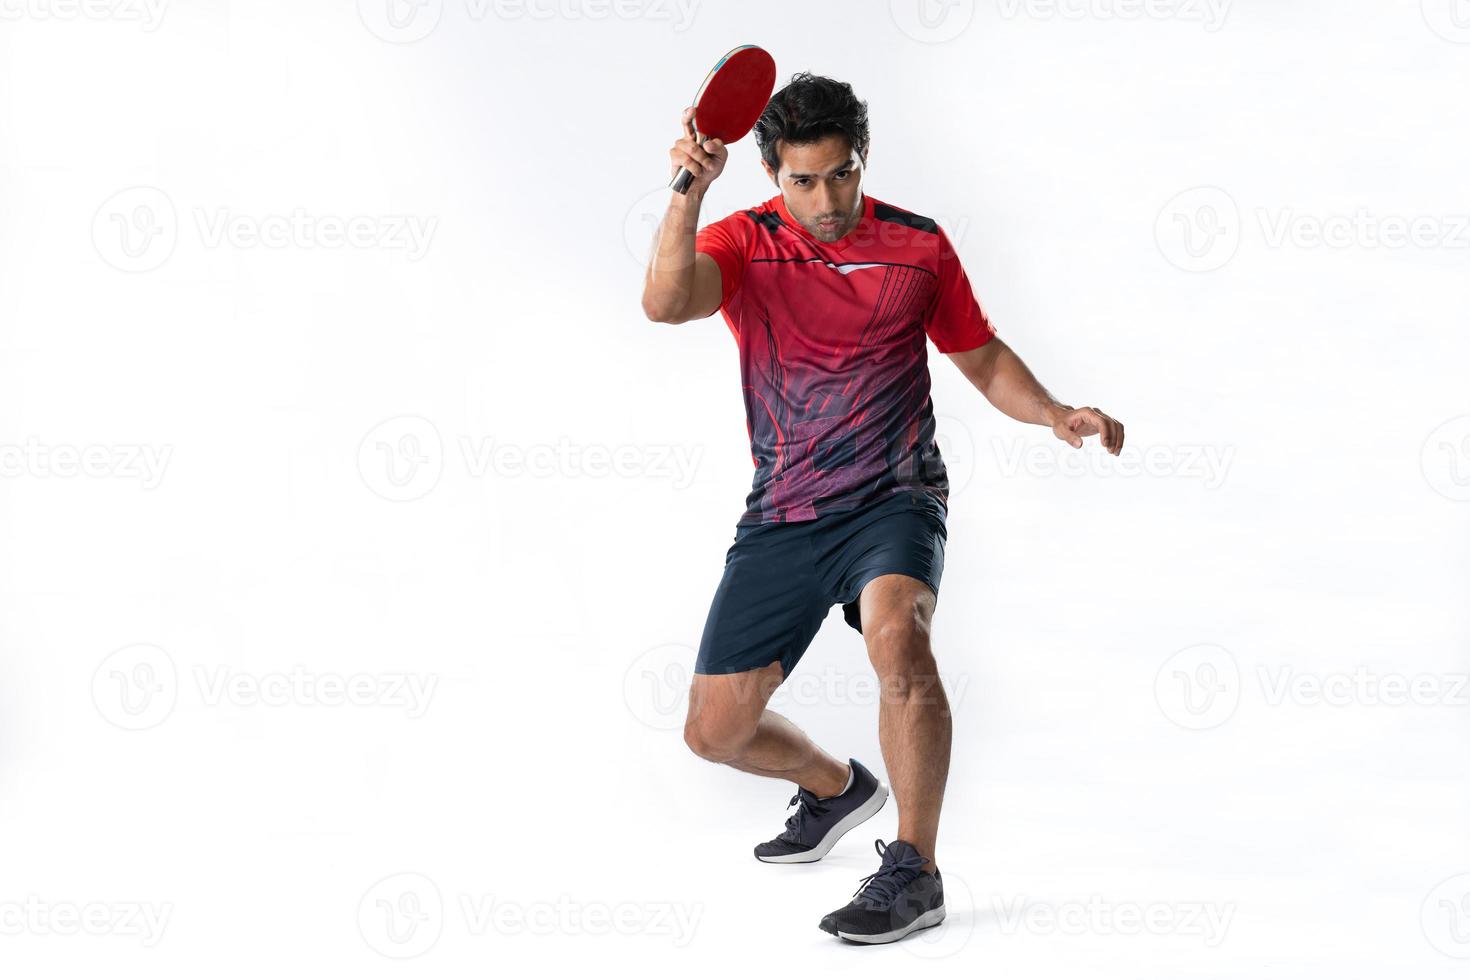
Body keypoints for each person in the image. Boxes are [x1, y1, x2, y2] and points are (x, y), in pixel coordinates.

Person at [641, 72, 1124, 945]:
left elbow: (978, 355)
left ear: (862, 162)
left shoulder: (918, 247)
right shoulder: (743, 243)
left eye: (841, 175)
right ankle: (836, 787)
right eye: (802, 181)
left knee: (900, 634)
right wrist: (686, 191)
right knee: (713, 734)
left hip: (894, 498)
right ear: (769, 173)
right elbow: (665, 303)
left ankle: (915, 871)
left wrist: (1054, 411)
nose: (825, 199)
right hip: (785, 510)